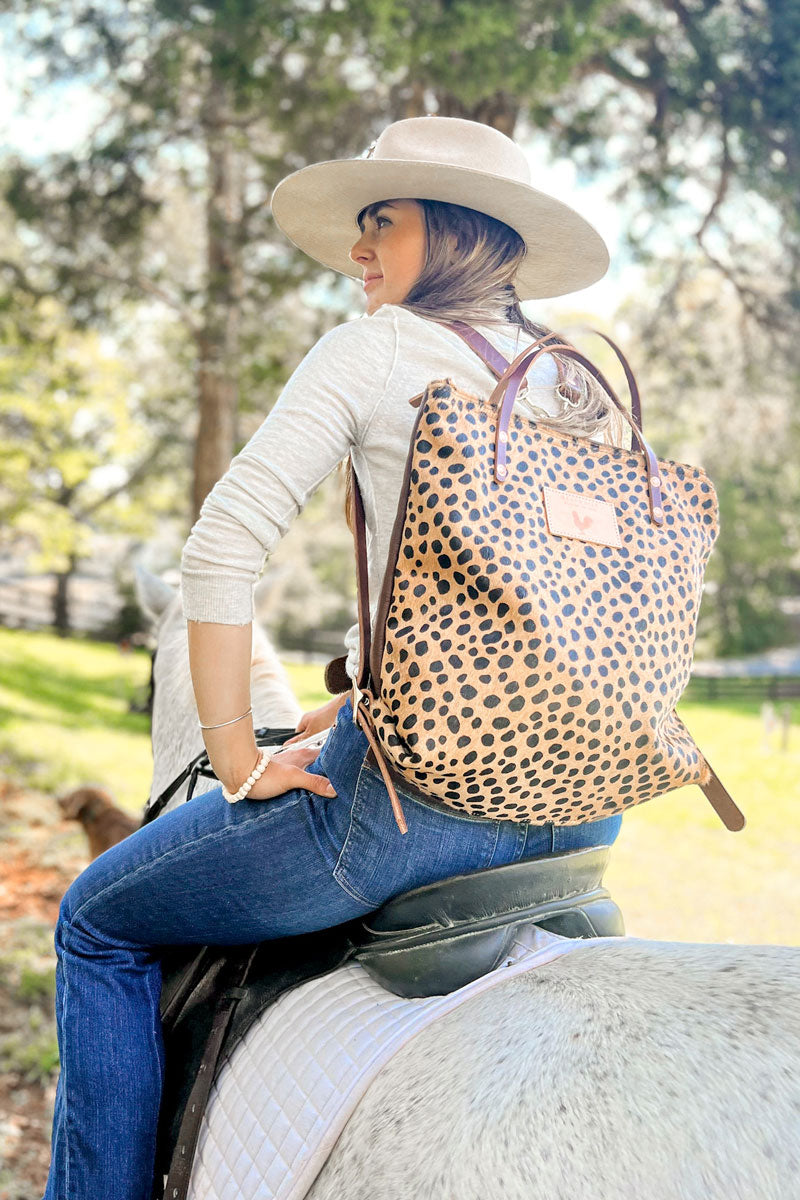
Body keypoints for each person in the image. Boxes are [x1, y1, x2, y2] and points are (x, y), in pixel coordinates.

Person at [43, 115, 627, 1200]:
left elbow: (222, 546)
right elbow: (539, 603)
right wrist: (358, 696)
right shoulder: (578, 379)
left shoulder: (380, 347)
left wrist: (235, 755)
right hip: (586, 810)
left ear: (454, 227)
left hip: (414, 813)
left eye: (382, 222)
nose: (358, 249)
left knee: (94, 922)